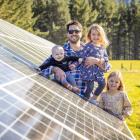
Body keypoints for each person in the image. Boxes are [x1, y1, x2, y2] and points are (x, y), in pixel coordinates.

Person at [39, 20, 106, 98]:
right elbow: (42, 69)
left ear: (81, 33)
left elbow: (105, 68)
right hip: (64, 97)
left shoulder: (91, 49)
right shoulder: (60, 51)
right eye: (71, 31)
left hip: (85, 98)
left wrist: (97, 61)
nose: (74, 33)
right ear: (67, 34)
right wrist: (54, 69)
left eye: (76, 31)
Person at [78, 24, 110, 103]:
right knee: (90, 87)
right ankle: (85, 98)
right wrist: (85, 59)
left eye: (98, 34)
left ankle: (94, 98)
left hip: (98, 72)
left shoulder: (102, 48)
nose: (96, 37)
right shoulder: (87, 46)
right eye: (93, 34)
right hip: (89, 72)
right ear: (90, 35)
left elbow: (106, 59)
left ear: (102, 36)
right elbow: (81, 56)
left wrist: (100, 60)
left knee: (103, 84)